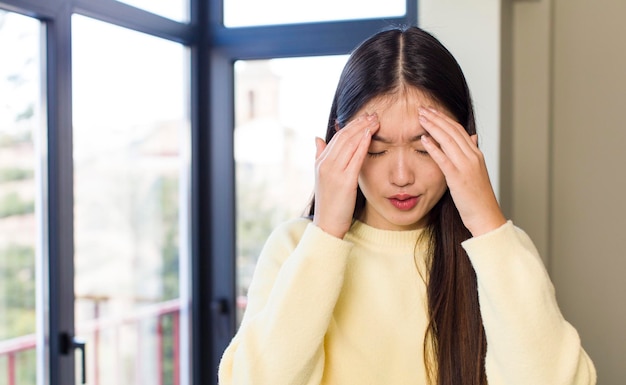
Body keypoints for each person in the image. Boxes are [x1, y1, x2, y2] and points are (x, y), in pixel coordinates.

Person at [218, 26, 596, 385]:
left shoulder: (496, 253)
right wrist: (326, 235)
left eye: (424, 147)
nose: (401, 175)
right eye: (378, 150)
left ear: (464, 144)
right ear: (340, 143)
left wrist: (486, 222)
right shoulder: (296, 248)